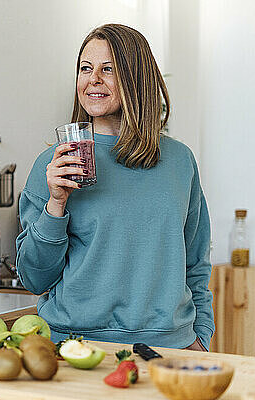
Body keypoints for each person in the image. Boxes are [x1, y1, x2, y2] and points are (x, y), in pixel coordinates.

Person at [16, 24, 214, 351]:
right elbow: (34, 279)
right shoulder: (54, 165)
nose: (93, 78)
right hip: (72, 347)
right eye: (85, 68)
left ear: (136, 79)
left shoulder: (180, 161)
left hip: (167, 348)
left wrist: (201, 336)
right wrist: (55, 204)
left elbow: (196, 263)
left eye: (108, 69)